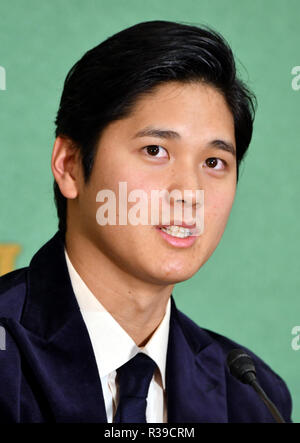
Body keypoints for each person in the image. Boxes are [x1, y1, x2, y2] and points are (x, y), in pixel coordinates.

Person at [0, 20, 292, 423]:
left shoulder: (250, 396)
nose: (189, 192)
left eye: (213, 162)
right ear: (68, 165)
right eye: (155, 150)